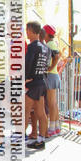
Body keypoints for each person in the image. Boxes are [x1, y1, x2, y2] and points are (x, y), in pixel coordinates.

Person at [24, 20, 50, 150]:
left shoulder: (33, 46)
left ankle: (19, 139)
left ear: (32, 30)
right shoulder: (45, 47)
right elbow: (46, 64)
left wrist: (25, 79)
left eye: (27, 30)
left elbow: (28, 64)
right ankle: (41, 140)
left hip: (32, 82)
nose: (26, 32)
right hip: (42, 81)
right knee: (40, 112)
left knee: (25, 110)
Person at [43, 24, 61, 136]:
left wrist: (50, 67)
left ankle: (52, 127)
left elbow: (56, 57)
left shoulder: (49, 44)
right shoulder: (53, 43)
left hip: (51, 75)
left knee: (51, 103)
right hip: (53, 75)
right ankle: (56, 127)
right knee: (53, 102)